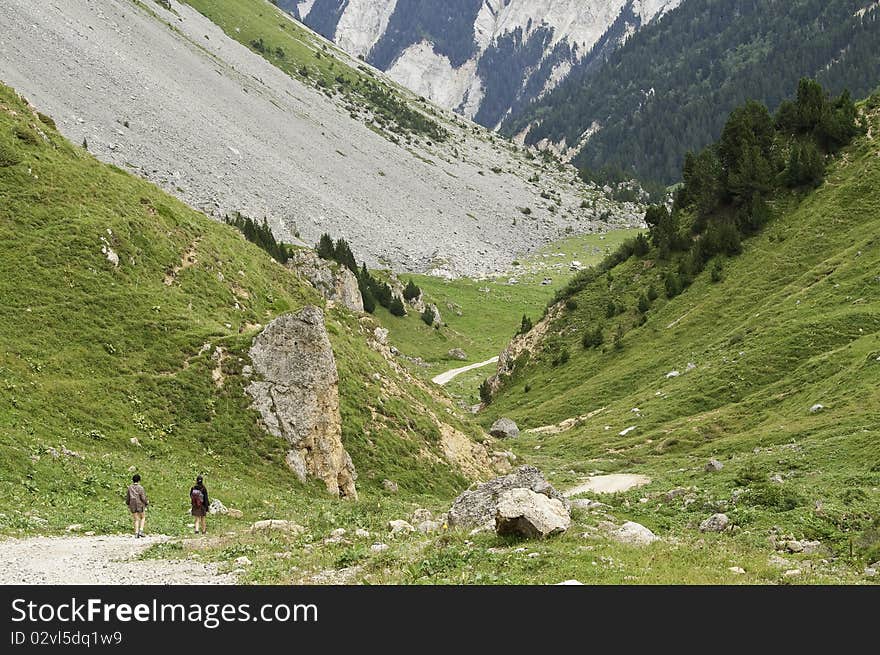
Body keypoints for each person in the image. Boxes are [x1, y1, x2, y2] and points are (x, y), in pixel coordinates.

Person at [126, 474, 148, 538]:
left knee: (136, 519)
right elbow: (143, 497)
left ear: (132, 480)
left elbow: (128, 497)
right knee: (143, 517)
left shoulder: (130, 487)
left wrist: (128, 503)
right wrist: (146, 503)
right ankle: (141, 531)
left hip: (132, 505)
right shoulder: (141, 488)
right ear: (139, 480)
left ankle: (136, 533)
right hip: (140, 504)